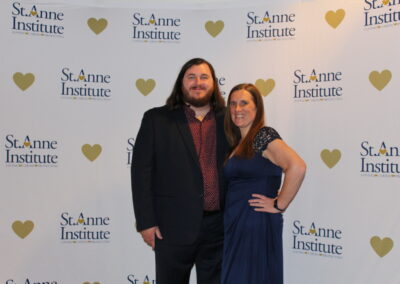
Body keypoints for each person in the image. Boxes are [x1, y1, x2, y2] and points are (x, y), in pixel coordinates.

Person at [131, 58, 227, 284]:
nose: (198, 82)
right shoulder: (156, 119)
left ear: (213, 83)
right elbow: (141, 173)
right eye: (191, 77)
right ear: (181, 83)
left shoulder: (229, 120)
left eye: (204, 77)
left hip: (219, 228)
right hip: (171, 227)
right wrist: (146, 222)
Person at [221, 83, 306, 284]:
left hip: (256, 225)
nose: (237, 109)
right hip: (236, 224)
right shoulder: (238, 142)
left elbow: (297, 167)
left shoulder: (263, 136)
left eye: (244, 103)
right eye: (232, 104)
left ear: (256, 108)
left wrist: (279, 204)